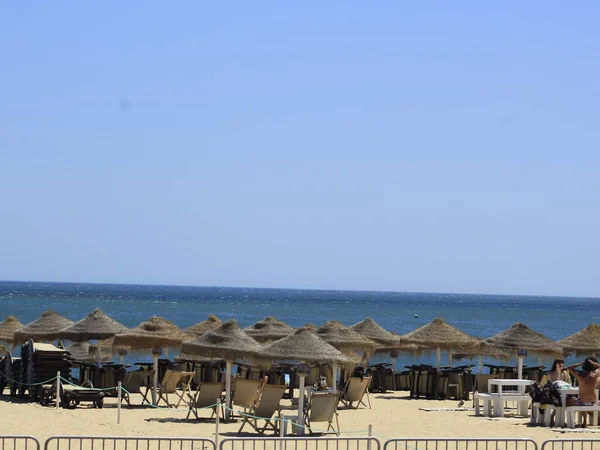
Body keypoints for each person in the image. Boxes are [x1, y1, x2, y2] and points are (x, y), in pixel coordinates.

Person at [567, 357, 600, 427]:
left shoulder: (580, 377)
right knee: (582, 402)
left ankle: (583, 421)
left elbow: (569, 368)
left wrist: (581, 363)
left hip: (582, 402)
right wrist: (592, 363)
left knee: (568, 401)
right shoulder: (596, 377)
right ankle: (586, 420)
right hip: (592, 402)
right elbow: (599, 367)